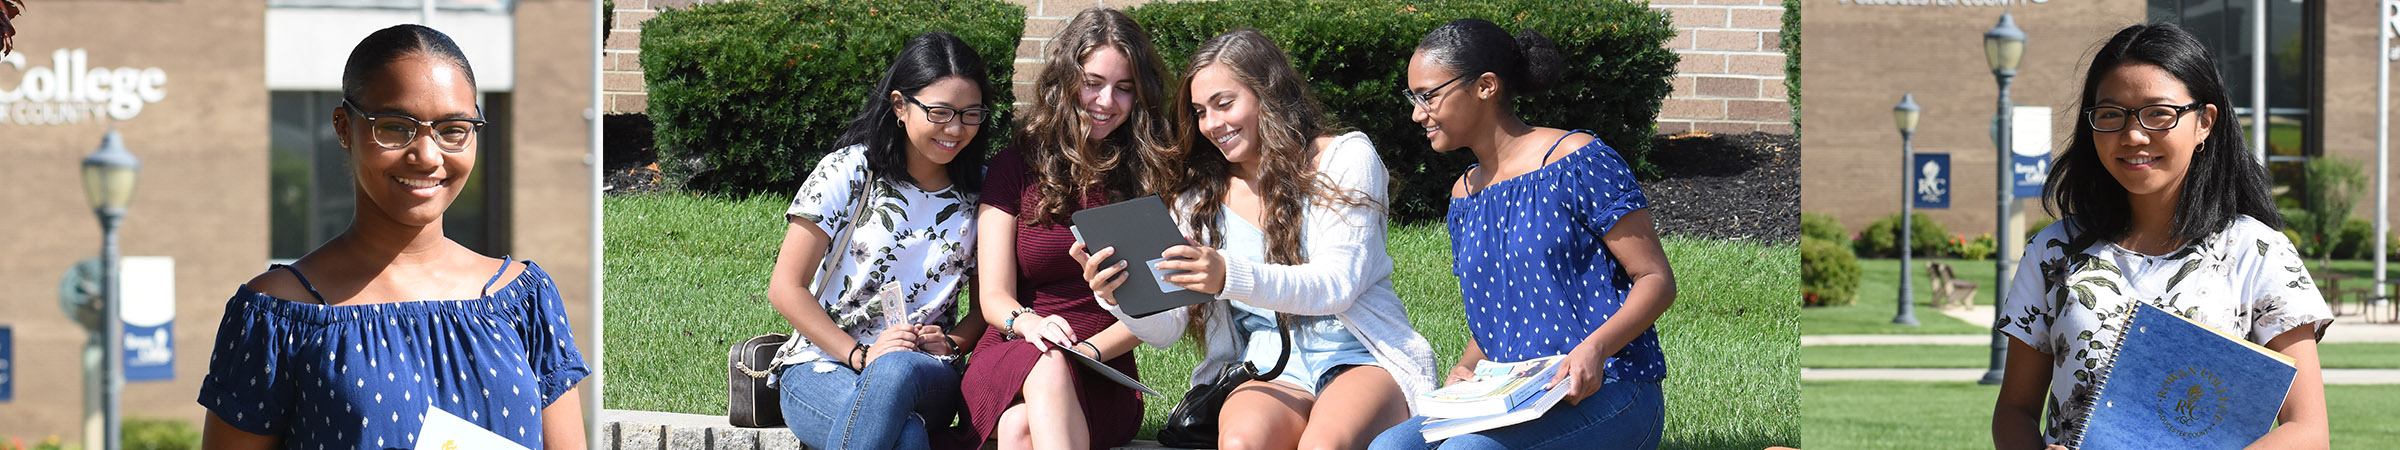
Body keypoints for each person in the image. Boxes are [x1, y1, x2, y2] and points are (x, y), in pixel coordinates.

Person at [197, 24, 587, 450]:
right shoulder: (277, 316)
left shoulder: (524, 300)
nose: (427, 155)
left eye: (453, 129)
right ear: (344, 128)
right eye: (396, 127)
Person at [1070, 29, 1435, 450]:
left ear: (1269, 94)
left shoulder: (1345, 157)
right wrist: (1122, 297)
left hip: (1360, 356)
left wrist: (1226, 275)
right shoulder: (1197, 199)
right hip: (1267, 365)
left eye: (1225, 104)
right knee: (1243, 442)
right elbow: (1168, 328)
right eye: (1200, 111)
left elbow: (1338, 285)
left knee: (1324, 444)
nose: (1212, 124)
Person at [1991, 23, 2329, 449]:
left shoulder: (2258, 252)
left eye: (2158, 113)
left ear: (2204, 122)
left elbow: (2309, 431)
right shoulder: (2053, 252)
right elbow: (2015, 410)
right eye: (2111, 114)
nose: (2133, 135)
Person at [1369, 18, 1676, 450]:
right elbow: (1503, 309)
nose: (1418, 113)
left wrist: (1595, 350)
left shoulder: (1577, 159)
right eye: (1414, 98)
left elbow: (1655, 280)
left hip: (1612, 390)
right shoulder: (1464, 193)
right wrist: (1466, 367)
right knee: (1389, 447)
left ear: (1486, 86)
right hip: (1513, 397)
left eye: (1429, 96)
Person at [763, 31, 993, 450]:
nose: (956, 128)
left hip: (925, 372)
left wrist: (953, 342)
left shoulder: (984, 194)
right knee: (905, 436)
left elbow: (987, 306)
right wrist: (860, 356)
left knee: (896, 370)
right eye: (940, 112)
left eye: (970, 113)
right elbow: (785, 288)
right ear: (900, 106)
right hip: (823, 366)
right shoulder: (850, 171)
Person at [960, 7, 1172, 450]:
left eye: (1124, 89)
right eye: (1093, 83)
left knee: (1020, 430)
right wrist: (1030, 323)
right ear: (1065, 80)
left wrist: (1088, 352)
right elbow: (994, 296)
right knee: (1046, 365)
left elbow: (1155, 309)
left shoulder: (1150, 176)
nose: (1106, 102)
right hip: (1014, 346)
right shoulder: (1013, 166)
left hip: (1102, 366)